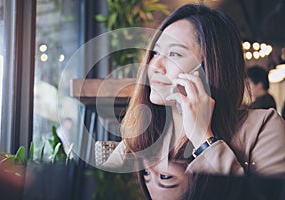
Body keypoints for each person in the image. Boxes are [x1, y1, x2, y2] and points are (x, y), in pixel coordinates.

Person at [102, 3, 285, 181]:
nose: (154, 66)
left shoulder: (264, 127)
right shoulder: (141, 135)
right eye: (156, 53)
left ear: (210, 68)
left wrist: (203, 137)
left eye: (174, 54)